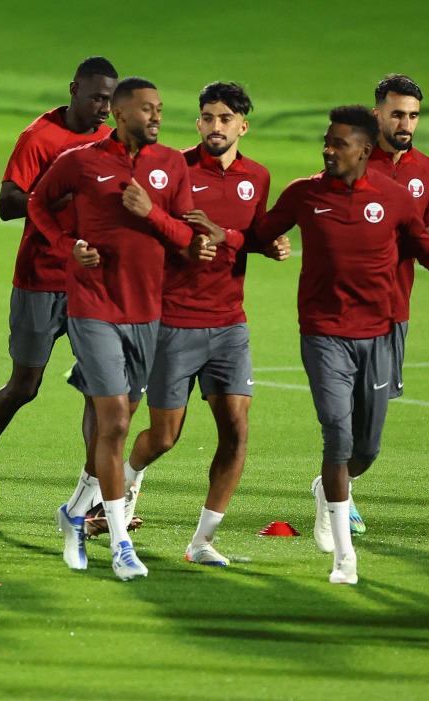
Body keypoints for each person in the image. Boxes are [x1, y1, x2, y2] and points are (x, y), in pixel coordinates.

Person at [255, 105, 429, 585]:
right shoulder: (304, 194)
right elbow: (259, 233)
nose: (328, 150)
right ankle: (344, 557)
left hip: (378, 333)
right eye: (325, 142)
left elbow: (426, 251)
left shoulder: (392, 198)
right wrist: (260, 244)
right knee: (337, 433)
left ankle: (327, 490)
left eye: (338, 144)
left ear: (364, 151)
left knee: (365, 450)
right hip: (324, 332)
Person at [28, 76, 223, 580]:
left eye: (160, 108)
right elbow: (37, 205)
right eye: (146, 109)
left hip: (147, 312)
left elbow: (186, 236)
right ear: (118, 114)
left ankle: (73, 514)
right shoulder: (80, 162)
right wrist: (66, 244)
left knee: (118, 419)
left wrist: (151, 213)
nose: (157, 116)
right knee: (114, 422)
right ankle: (118, 543)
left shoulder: (171, 164)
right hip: (92, 306)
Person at [87, 82, 289, 565]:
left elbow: (252, 233)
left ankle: (201, 542)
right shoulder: (172, 167)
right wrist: (171, 229)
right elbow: (145, 230)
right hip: (174, 322)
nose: (215, 126)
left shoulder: (257, 177)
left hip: (229, 324)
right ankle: (115, 493)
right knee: (163, 437)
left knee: (236, 432)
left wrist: (268, 245)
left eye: (225, 119)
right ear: (198, 123)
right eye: (207, 117)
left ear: (243, 125)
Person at [0, 56, 119, 521]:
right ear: (74, 90)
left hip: (90, 284)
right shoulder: (40, 137)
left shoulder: (111, 141)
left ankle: (92, 498)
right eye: (96, 97)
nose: (104, 108)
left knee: (99, 390)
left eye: (110, 99)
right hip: (41, 279)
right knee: (25, 385)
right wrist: (58, 194)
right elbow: (7, 203)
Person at [347, 73, 429, 534]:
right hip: (343, 312)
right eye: (397, 114)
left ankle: (335, 482)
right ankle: (337, 500)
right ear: (377, 115)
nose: (406, 123)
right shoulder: (352, 161)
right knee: (339, 413)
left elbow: (423, 238)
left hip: (393, 312)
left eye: (413, 116)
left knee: (368, 442)